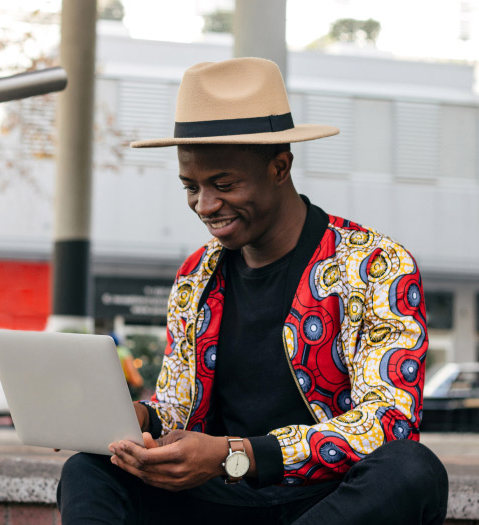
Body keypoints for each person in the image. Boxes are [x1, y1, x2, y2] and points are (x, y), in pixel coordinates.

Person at [58, 57, 449, 524]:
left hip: (326, 502)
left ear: (279, 167)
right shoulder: (196, 275)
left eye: (223, 184)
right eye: (191, 186)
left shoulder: (373, 266)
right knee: (88, 471)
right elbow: (178, 406)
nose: (204, 205)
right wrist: (138, 423)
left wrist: (235, 453)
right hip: (219, 499)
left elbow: (388, 422)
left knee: (411, 469)